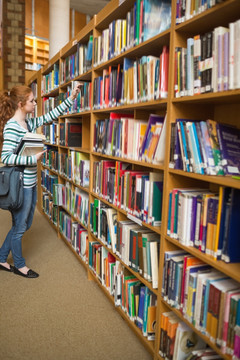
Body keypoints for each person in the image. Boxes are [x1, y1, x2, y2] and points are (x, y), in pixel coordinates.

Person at [0, 84, 81, 278]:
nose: (35, 103)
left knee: (24, 224)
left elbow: (50, 116)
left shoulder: (28, 123)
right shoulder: (12, 126)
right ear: (21, 104)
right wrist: (31, 159)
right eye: (32, 101)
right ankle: (19, 265)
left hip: (30, 182)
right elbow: (6, 157)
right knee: (20, 226)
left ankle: (1, 257)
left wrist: (72, 97)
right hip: (21, 186)